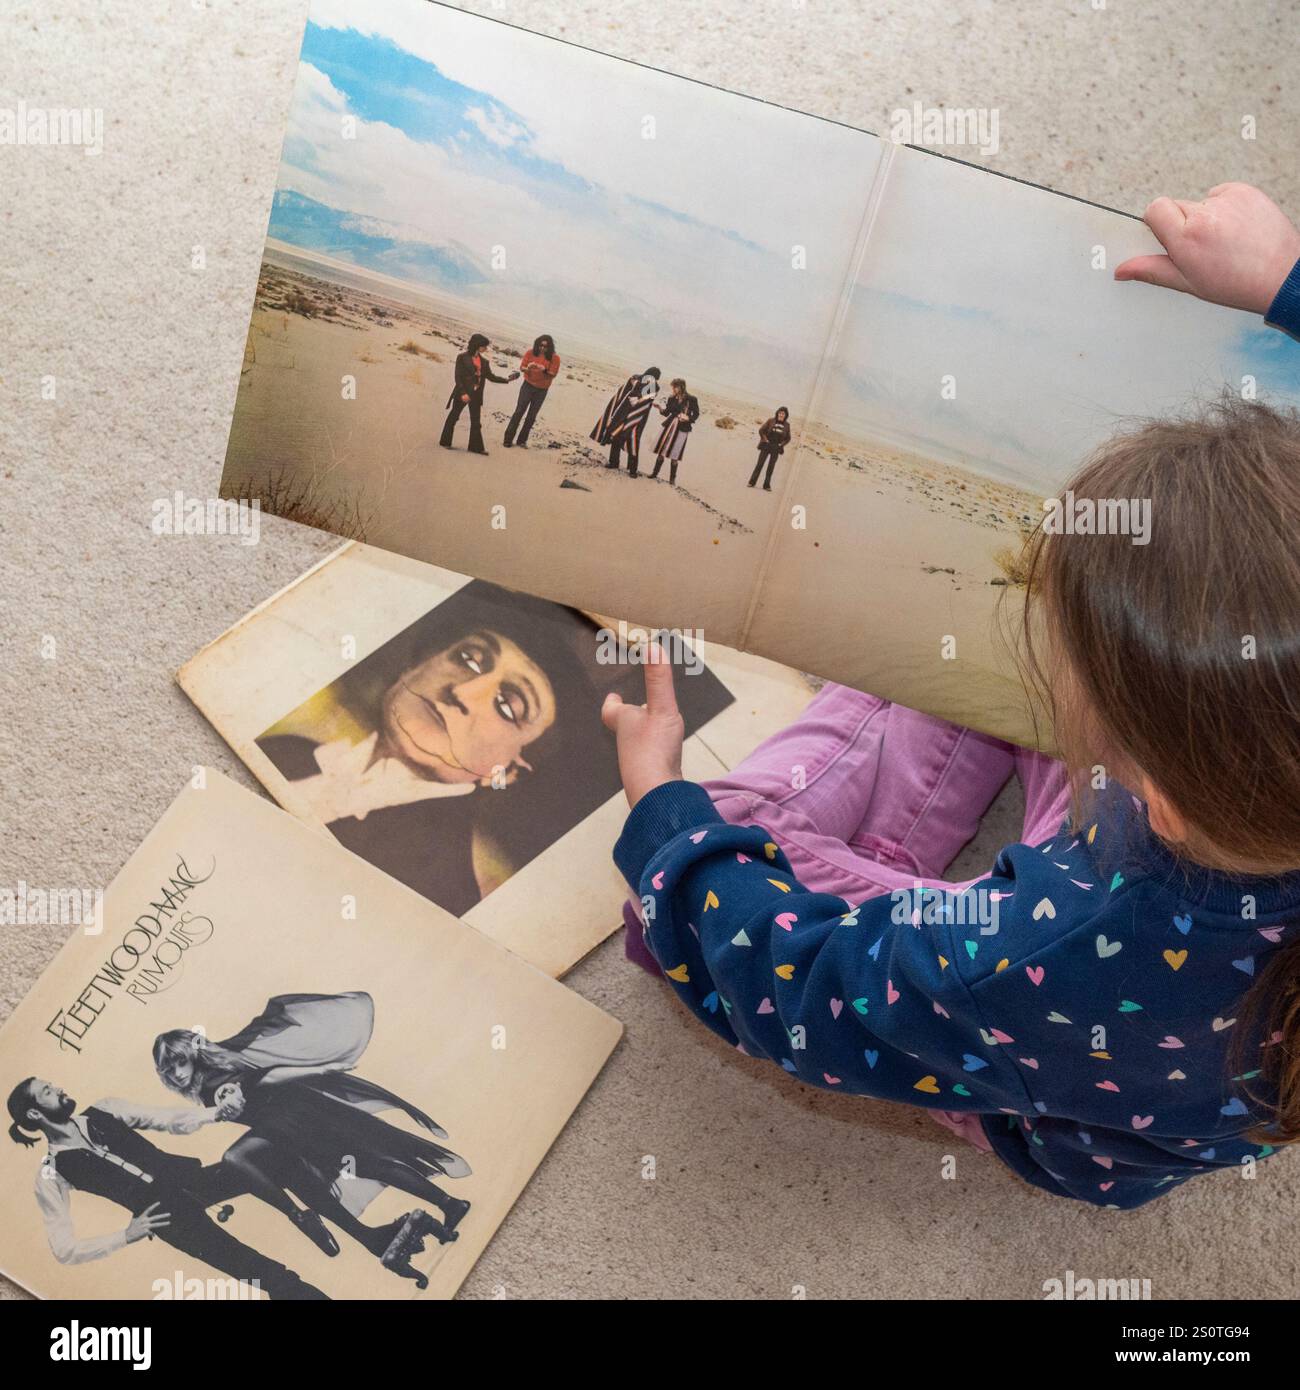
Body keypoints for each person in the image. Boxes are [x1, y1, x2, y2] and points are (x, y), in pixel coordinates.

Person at [599, 182, 1300, 1211]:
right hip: (1143, 957)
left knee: (707, 856)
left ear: (1149, 790)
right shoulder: (1192, 805)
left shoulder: (1048, 950)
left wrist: (662, 809)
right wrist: (1282, 284)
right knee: (968, 666)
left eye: (1078, 670)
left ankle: (888, 886)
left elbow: (800, 993)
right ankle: (906, 888)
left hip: (1046, 1073)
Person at [152, 992, 472, 1285]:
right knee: (369, 1165)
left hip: (298, 1123)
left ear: (192, 1055)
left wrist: (319, 1070)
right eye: (169, 1069)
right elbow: (260, 1078)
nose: (178, 1072)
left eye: (180, 1061)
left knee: (371, 1165)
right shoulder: (221, 1067)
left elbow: (262, 1078)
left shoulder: (213, 1083)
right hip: (291, 1127)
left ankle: (446, 1203)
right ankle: (445, 1204)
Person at [7, 1078, 328, 1298]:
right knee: (267, 1274)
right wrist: (125, 1236)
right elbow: (63, 1248)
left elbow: (164, 1119)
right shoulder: (51, 1173)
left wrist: (215, 1112)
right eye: (48, 1091)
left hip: (190, 1179)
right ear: (35, 1113)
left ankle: (301, 1215)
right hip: (170, 1220)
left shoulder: (104, 1109)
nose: (58, 1088)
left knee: (266, 1159)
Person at [439, 333, 519, 456]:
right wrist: (463, 393)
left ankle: (475, 447)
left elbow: (491, 377)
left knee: (476, 421)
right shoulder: (462, 357)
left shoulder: (484, 362)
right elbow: (458, 377)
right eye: (484, 346)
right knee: (454, 416)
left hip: (476, 395)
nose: (486, 349)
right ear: (477, 345)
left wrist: (507, 380)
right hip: (463, 393)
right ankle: (445, 442)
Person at [592, 368, 660, 476]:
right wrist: (633, 384)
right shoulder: (639, 378)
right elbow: (629, 389)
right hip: (625, 412)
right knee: (616, 435)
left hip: (637, 416)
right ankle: (614, 462)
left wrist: (636, 390)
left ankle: (632, 470)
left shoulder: (654, 386)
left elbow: (645, 399)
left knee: (632, 439)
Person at [504, 334, 561, 448]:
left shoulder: (555, 358)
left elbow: (553, 374)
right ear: (537, 344)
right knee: (519, 411)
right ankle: (508, 439)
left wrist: (544, 370)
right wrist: (528, 368)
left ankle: (522, 440)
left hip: (542, 390)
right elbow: (522, 368)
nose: (543, 348)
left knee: (531, 416)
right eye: (541, 345)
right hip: (528, 386)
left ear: (550, 347)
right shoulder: (530, 352)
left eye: (546, 346)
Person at [648, 378, 700, 485]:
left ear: (681, 387)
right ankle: (654, 473)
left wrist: (688, 418)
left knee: (675, 453)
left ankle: (672, 480)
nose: (673, 389)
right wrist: (659, 408)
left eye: (675, 387)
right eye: (673, 387)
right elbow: (667, 413)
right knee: (662, 449)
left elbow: (696, 414)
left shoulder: (692, 399)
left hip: (683, 428)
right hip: (669, 426)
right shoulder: (671, 398)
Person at [748, 407, 791, 490]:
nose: (781, 415)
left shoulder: (787, 425)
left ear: (785, 416)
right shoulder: (771, 420)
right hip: (766, 445)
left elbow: (788, 438)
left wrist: (781, 445)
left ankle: (766, 485)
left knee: (771, 467)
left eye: (783, 414)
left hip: (776, 447)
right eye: (780, 413)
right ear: (777, 413)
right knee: (760, 464)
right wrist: (765, 439)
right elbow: (761, 430)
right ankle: (752, 482)